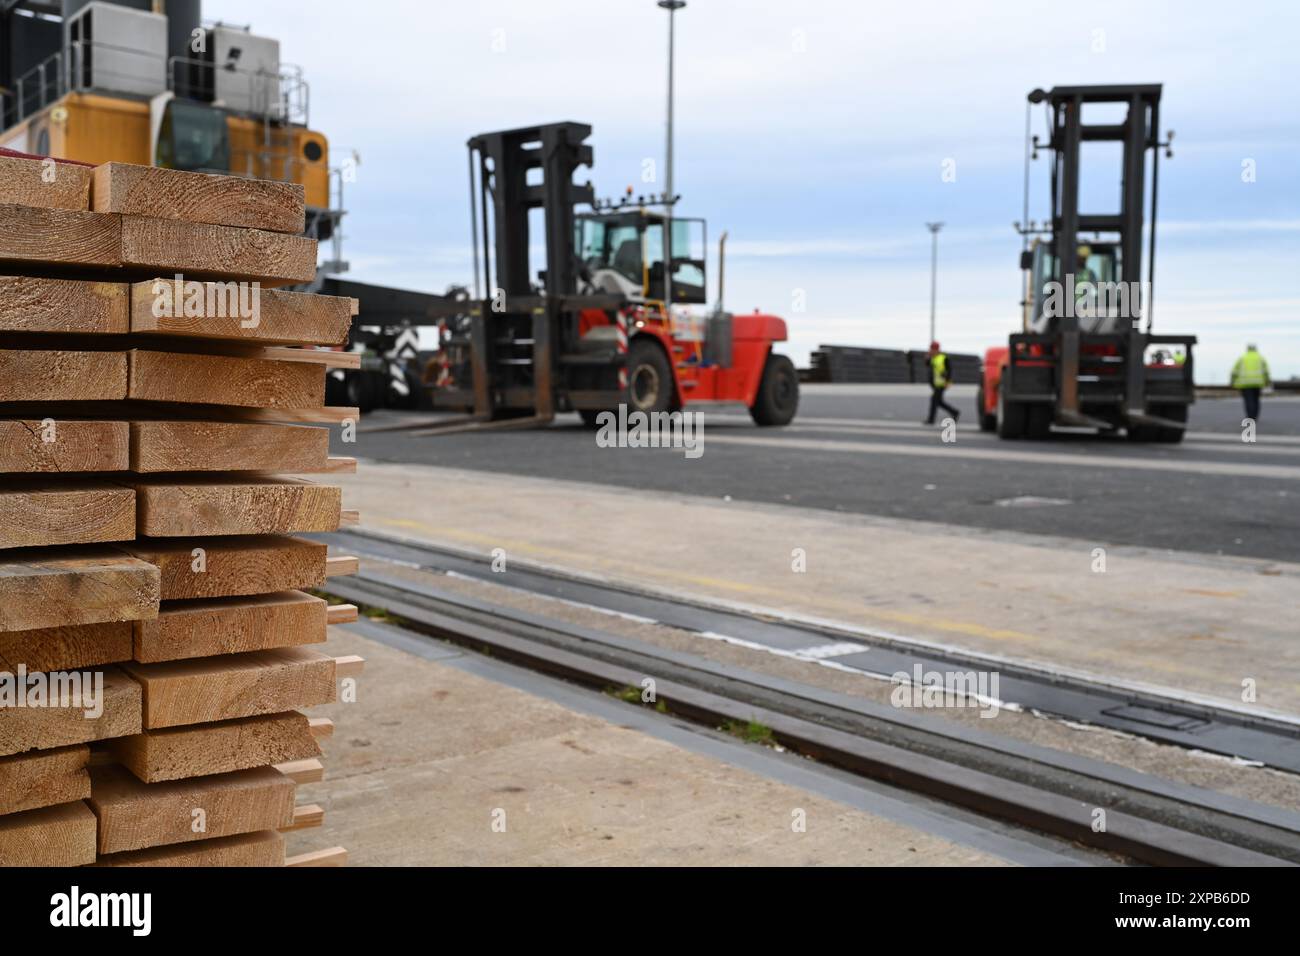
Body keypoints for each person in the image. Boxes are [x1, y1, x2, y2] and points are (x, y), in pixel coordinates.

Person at [1230, 343, 1270, 422]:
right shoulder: (1260, 358)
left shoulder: (1242, 358)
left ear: (1247, 349)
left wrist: (1232, 381)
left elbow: (1234, 371)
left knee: (1248, 400)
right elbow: (1266, 371)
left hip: (1245, 383)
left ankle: (1250, 416)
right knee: (1256, 399)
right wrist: (1267, 380)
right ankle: (1255, 416)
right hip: (1258, 383)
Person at [924, 341, 961, 425]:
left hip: (942, 384)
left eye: (932, 349)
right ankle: (955, 412)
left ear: (937, 349)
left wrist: (947, 382)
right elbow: (928, 365)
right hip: (936, 384)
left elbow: (949, 370)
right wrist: (927, 358)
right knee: (939, 402)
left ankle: (931, 420)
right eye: (930, 349)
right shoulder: (933, 358)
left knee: (934, 401)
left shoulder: (944, 358)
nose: (931, 351)